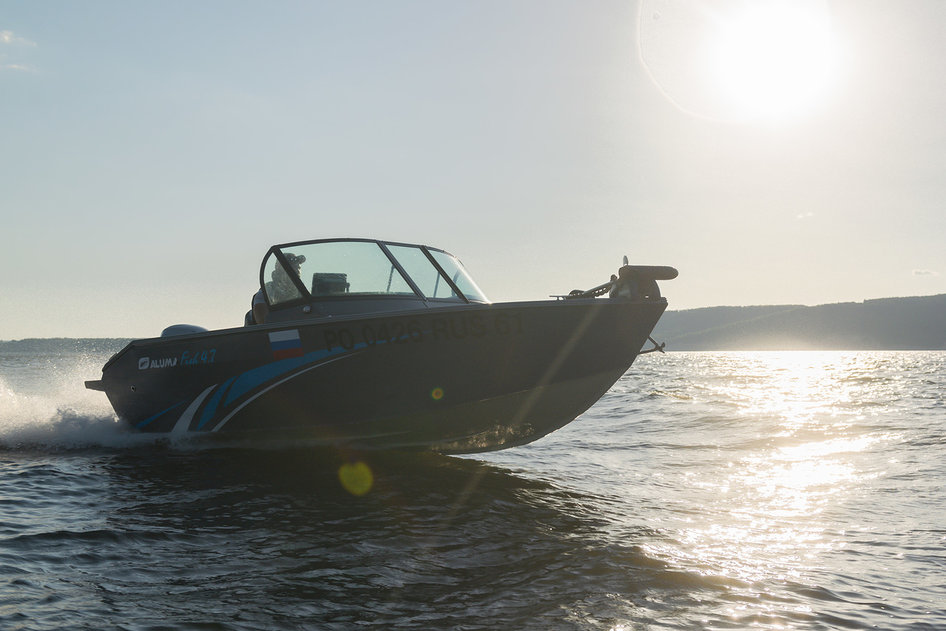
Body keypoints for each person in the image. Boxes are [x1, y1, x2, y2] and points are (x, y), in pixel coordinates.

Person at [245, 252, 306, 326]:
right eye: (294, 267)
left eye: (298, 267)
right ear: (281, 270)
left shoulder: (302, 292)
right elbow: (263, 323)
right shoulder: (267, 291)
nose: (298, 271)